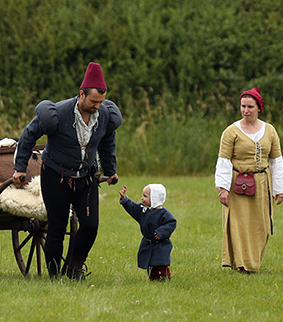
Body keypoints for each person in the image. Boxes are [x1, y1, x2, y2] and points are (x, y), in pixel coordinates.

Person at [13, 62, 122, 280]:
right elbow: (28, 136)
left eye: (101, 102)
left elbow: (108, 143)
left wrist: (111, 171)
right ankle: (54, 275)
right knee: (57, 227)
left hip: (87, 178)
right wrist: (19, 168)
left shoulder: (105, 117)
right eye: (93, 101)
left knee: (91, 226)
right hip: (56, 177)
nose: (97, 106)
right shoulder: (56, 114)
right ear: (81, 94)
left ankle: (73, 268)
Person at [215, 87, 283, 274]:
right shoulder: (231, 132)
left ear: (259, 108)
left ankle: (253, 261)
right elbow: (223, 161)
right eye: (243, 106)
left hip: (262, 183)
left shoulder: (269, 130)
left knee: (260, 225)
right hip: (238, 182)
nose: (246, 110)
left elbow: (276, 161)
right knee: (240, 225)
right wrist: (223, 189)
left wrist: (280, 189)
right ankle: (243, 264)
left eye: (250, 107)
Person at [119, 184, 177, 281]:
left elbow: (171, 223)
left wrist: (161, 232)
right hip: (148, 244)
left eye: (145, 196)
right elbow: (133, 208)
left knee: (160, 264)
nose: (142, 198)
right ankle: (154, 279)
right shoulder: (143, 210)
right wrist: (125, 199)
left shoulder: (163, 213)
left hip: (160, 245)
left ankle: (165, 278)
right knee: (150, 265)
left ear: (155, 198)